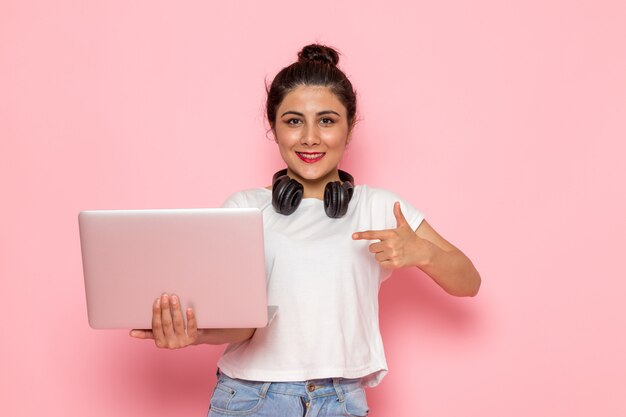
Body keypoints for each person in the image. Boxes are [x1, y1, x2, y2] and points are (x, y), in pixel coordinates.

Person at [130, 43, 481, 417]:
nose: (310, 137)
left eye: (327, 120)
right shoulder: (244, 208)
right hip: (250, 399)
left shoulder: (379, 207)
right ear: (274, 128)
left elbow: (468, 282)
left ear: (349, 128)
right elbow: (244, 327)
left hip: (341, 403)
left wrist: (423, 253)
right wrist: (193, 333)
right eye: (294, 121)